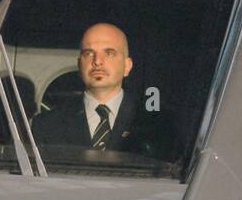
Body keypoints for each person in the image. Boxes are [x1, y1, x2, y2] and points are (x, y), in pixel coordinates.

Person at [29, 22, 179, 161]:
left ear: (127, 66)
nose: (97, 61)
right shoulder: (46, 125)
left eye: (109, 53)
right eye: (88, 53)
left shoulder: (157, 125)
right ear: (79, 65)